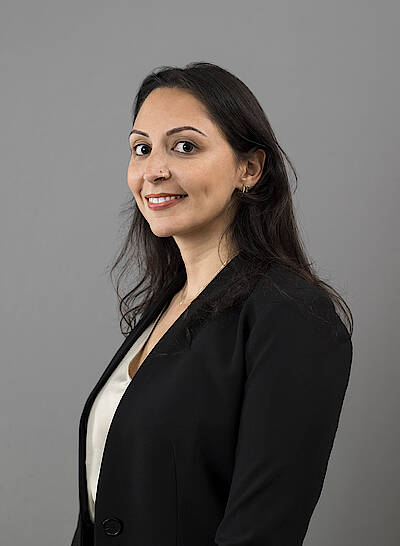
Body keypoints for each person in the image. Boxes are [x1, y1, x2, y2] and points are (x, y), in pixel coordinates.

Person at [70, 62, 353, 546]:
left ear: (250, 168)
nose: (154, 170)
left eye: (185, 146)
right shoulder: (165, 306)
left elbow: (261, 532)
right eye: (141, 148)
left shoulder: (291, 316)